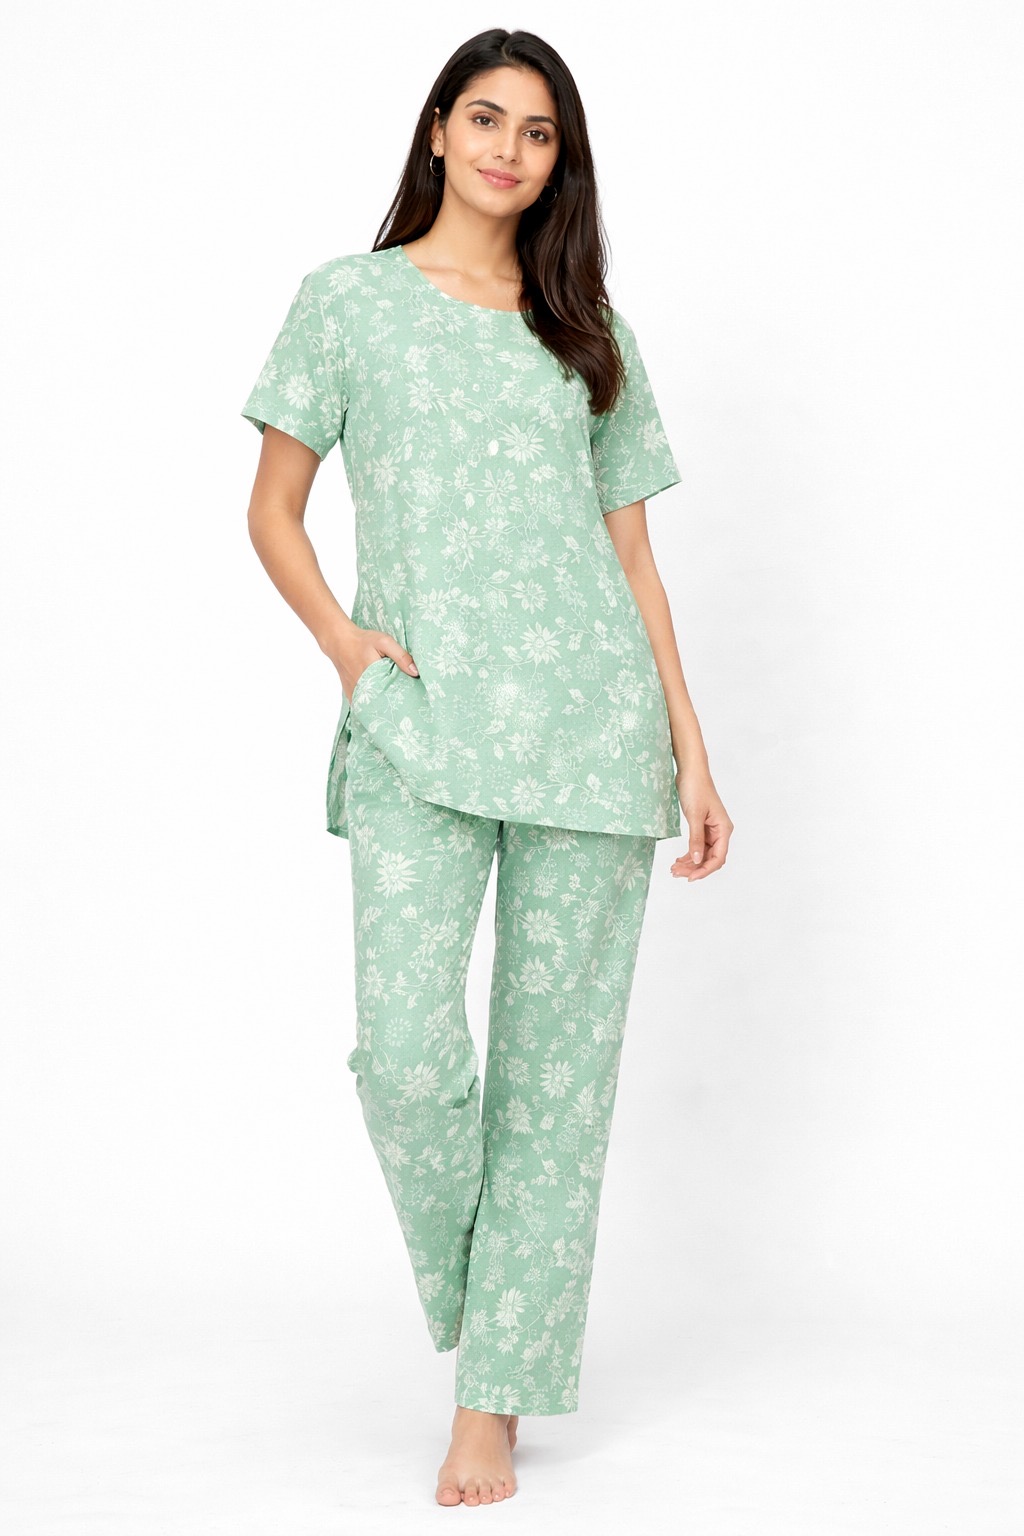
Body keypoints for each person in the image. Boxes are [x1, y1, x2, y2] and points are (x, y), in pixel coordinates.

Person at [240, 26, 733, 1509]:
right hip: (418, 719)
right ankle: (496, 1308)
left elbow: (632, 560)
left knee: (551, 1090)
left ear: (558, 161)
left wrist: (693, 753)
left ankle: (491, 1403)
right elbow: (272, 511)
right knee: (404, 1058)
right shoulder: (348, 301)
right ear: (439, 132)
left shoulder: (588, 329)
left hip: (593, 734)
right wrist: (346, 648)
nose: (511, 150)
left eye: (539, 132)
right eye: (487, 119)